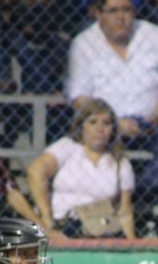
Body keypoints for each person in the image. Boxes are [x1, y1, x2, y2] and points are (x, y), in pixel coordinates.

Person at [66, 0, 158, 202]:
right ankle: (119, 196)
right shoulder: (83, 43)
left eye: (126, 10)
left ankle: (136, 194)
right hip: (104, 123)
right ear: (99, 14)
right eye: (113, 11)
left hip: (150, 122)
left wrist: (155, 117)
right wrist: (113, 123)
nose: (121, 17)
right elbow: (79, 97)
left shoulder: (153, 34)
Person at [27, 99, 136, 239]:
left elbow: (124, 211)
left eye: (106, 123)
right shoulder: (67, 148)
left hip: (99, 230)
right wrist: (46, 217)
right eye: (93, 122)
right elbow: (35, 172)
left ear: (113, 129)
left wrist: (132, 247)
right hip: (61, 225)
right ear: (82, 126)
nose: (100, 129)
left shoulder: (120, 163)